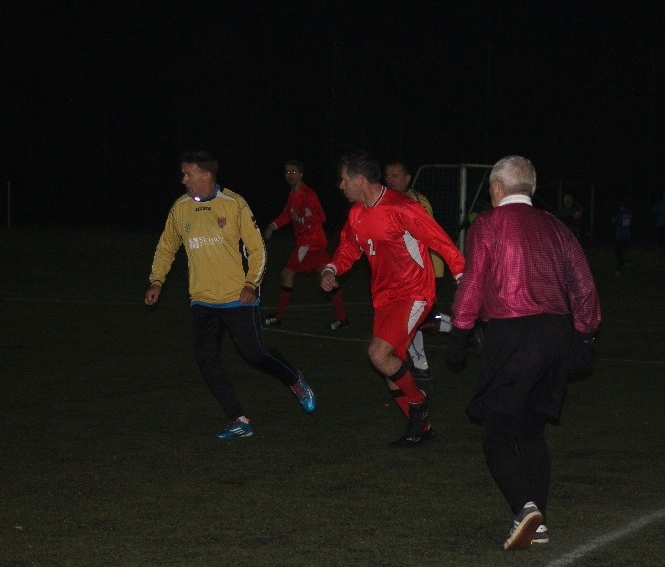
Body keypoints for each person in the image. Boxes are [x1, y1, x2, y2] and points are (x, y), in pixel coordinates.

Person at [448, 155, 601, 550]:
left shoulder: (489, 224)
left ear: (497, 188)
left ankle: (525, 506)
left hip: (513, 331)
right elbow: (583, 284)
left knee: (496, 431)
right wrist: (585, 336)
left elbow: (473, 282)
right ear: (530, 188)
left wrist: (460, 332)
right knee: (532, 431)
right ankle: (538, 522)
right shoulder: (557, 226)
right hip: (556, 332)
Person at [145, 151, 316, 440]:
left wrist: (251, 283)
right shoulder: (180, 208)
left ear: (205, 175)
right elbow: (166, 247)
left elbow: (258, 248)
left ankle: (295, 380)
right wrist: (156, 280)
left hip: (237, 296)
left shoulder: (234, 203)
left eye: (188, 174)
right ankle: (238, 419)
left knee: (255, 354)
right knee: (205, 357)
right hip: (202, 299)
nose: (183, 179)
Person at [320, 151, 465, 447]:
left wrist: (462, 276)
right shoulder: (357, 213)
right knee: (390, 368)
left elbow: (440, 240)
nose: (341, 186)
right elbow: (349, 248)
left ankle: (419, 403)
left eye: (344, 180)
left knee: (378, 354)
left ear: (360, 179)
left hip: (414, 292)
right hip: (384, 297)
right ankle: (422, 429)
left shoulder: (402, 207)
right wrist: (332, 268)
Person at [383, 160, 453, 381]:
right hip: (414, 270)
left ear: (408, 179)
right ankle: (463, 328)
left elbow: (427, 233)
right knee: (419, 319)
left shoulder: (413, 201)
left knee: (412, 319)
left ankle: (463, 327)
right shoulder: (399, 200)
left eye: (395, 175)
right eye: (388, 175)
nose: (390, 180)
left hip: (426, 268)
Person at [262, 160, 349, 330]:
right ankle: (342, 319)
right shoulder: (293, 194)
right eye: (287, 172)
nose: (290, 175)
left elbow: (321, 216)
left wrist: (303, 219)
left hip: (310, 245)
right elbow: (287, 215)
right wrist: (273, 226)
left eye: (294, 172)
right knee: (325, 277)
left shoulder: (307, 194)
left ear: (301, 174)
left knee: (288, 273)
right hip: (311, 244)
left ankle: (277, 317)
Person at [610, 199, 632, 275]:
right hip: (627, 236)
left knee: (618, 253)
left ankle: (619, 269)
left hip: (620, 236)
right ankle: (624, 264)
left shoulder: (619, 214)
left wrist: (614, 219)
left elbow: (613, 222)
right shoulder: (629, 214)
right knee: (620, 253)